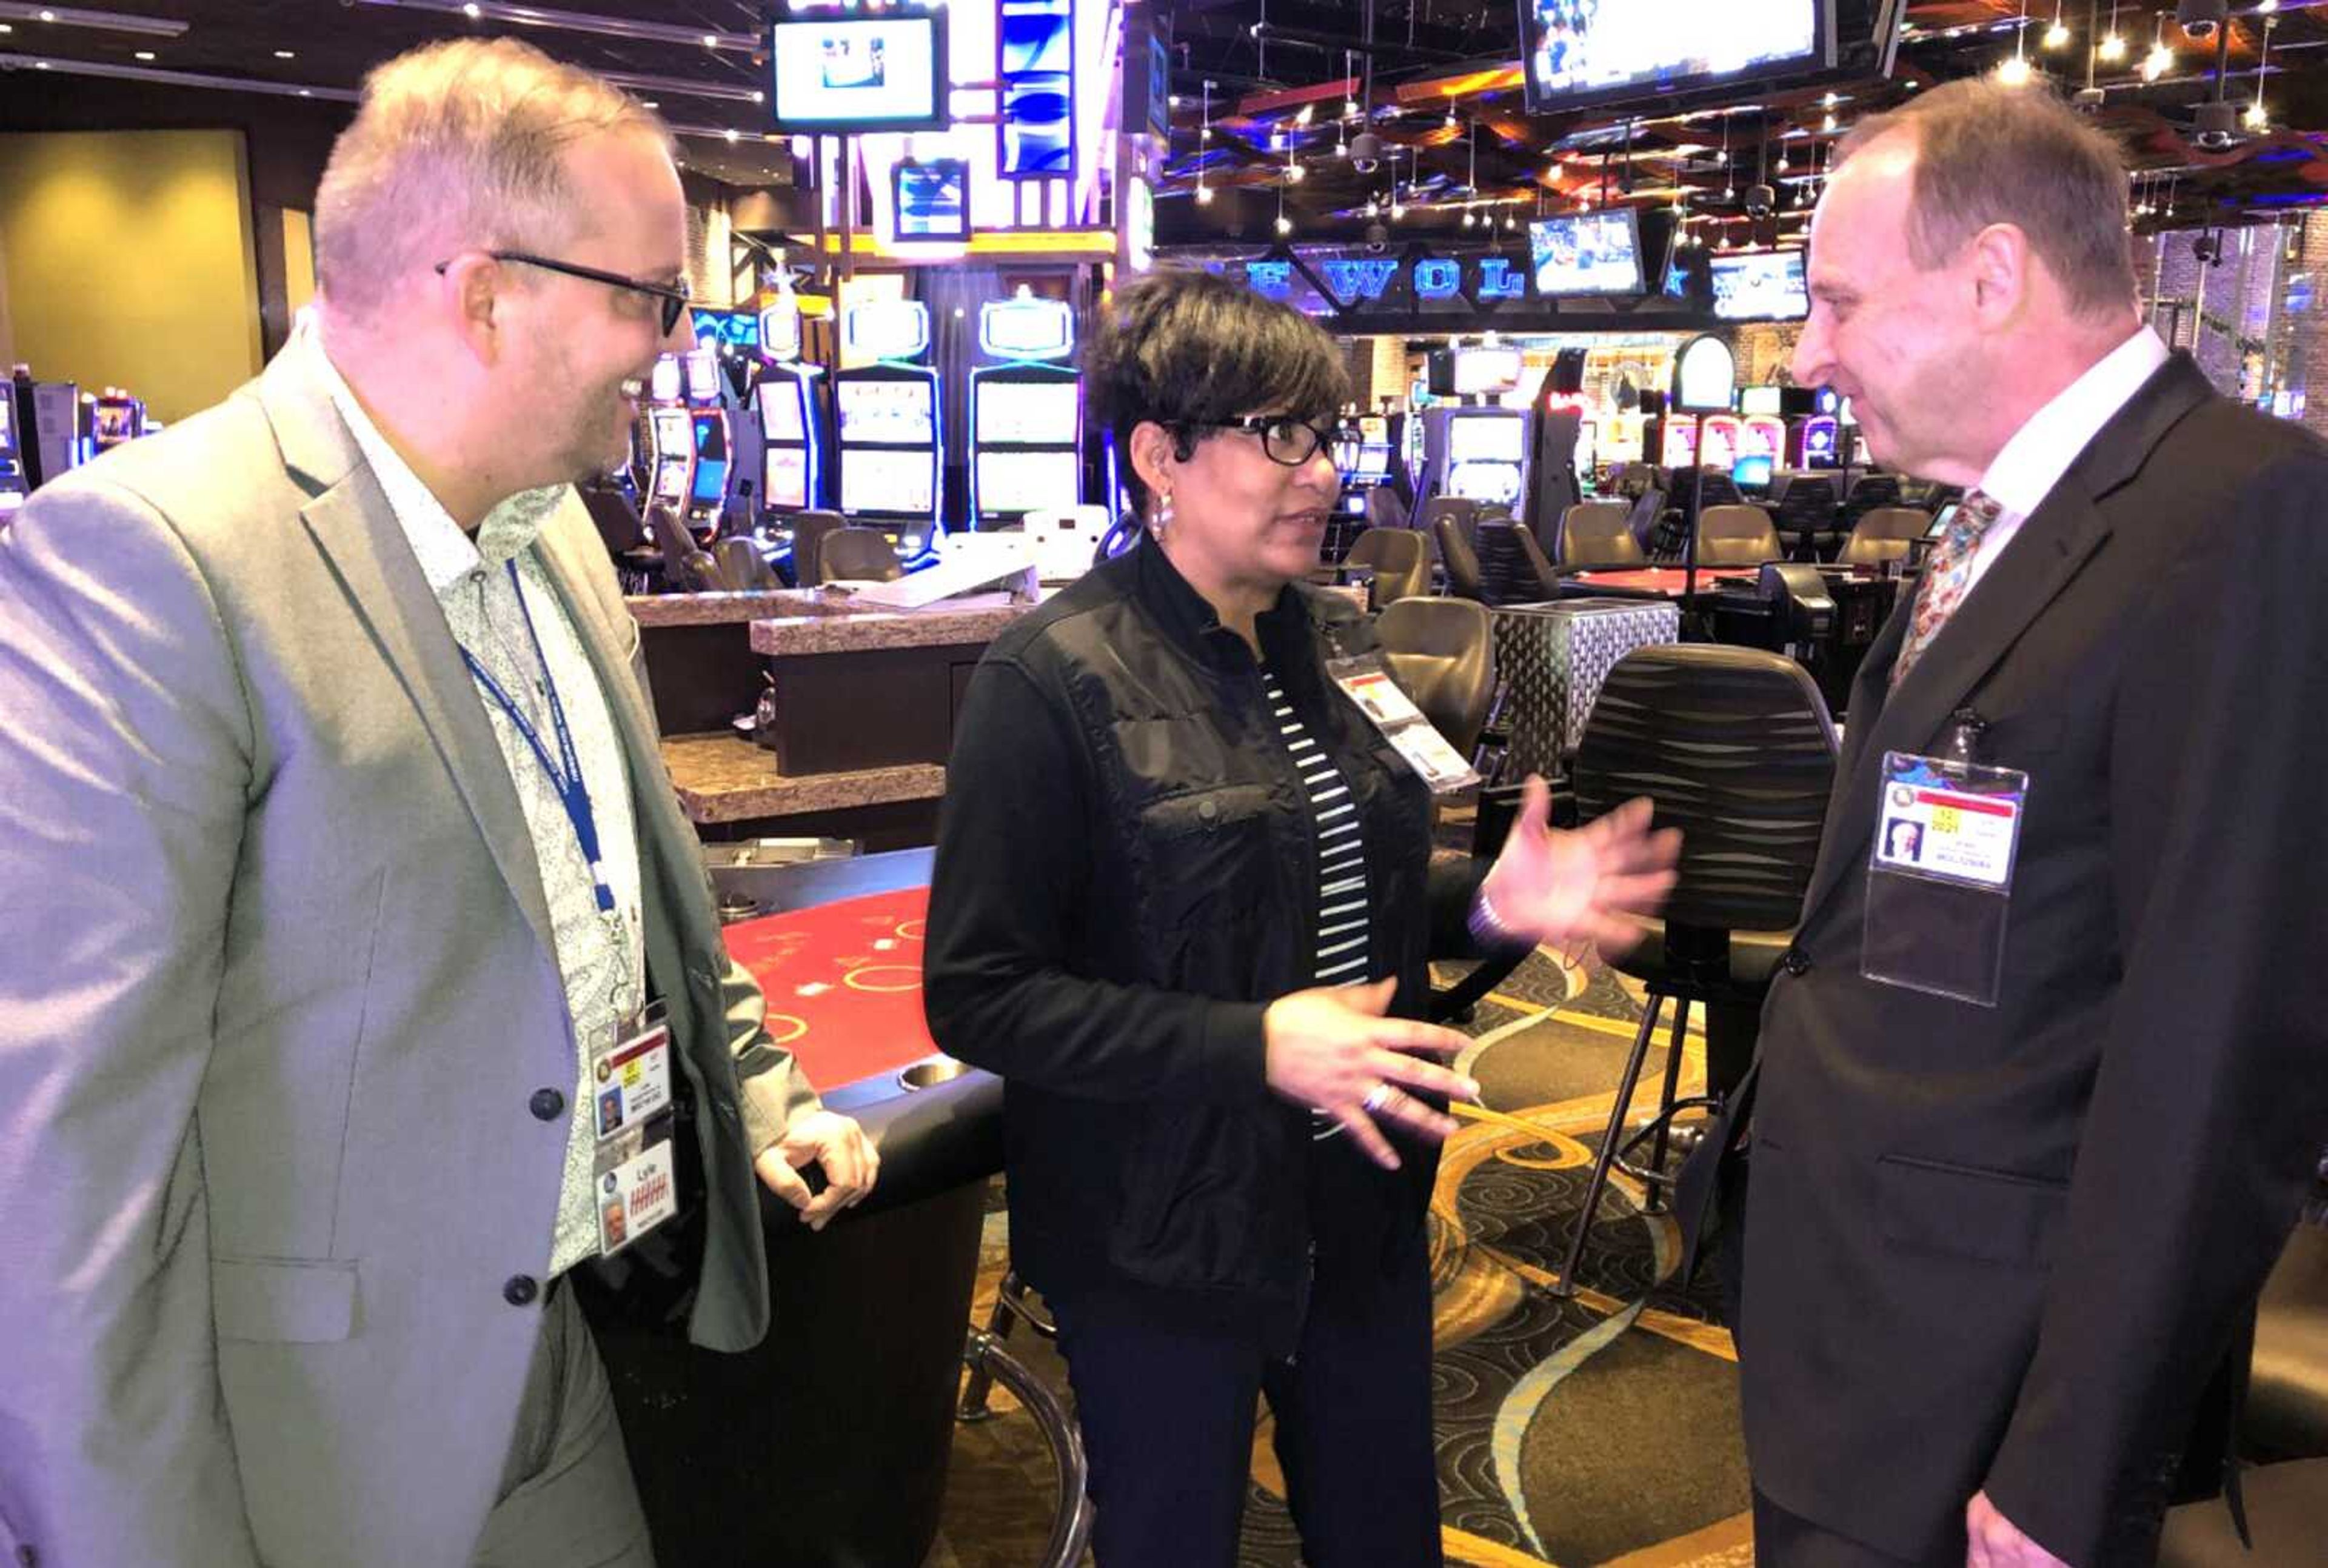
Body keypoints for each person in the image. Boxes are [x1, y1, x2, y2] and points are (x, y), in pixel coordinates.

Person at [0, 38, 877, 1568]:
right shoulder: (150, 563)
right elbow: (63, 1183)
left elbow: (633, 901)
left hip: (545, 1360)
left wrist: (756, 1095)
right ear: (483, 291)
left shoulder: (557, 537)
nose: (667, 345)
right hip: (299, 1434)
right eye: (647, 299)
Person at [923, 269, 1679, 1566]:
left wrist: (1489, 908)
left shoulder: (1329, 641)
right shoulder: (1047, 678)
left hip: (1358, 1201)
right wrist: (1253, 1045)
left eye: (1327, 435)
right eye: (1280, 436)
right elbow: (982, 991)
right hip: (1160, 1233)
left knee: (1384, 1537)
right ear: (1161, 454)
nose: (1320, 471)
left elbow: (1327, 894)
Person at [1708, 78, 2328, 1566]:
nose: (1810, 356)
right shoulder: (1987, 519)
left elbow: (2222, 1043)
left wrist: (2075, 1454)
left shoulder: (2243, 515)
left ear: (1992, 277)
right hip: (1863, 1318)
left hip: (1998, 1373)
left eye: (1841, 302)